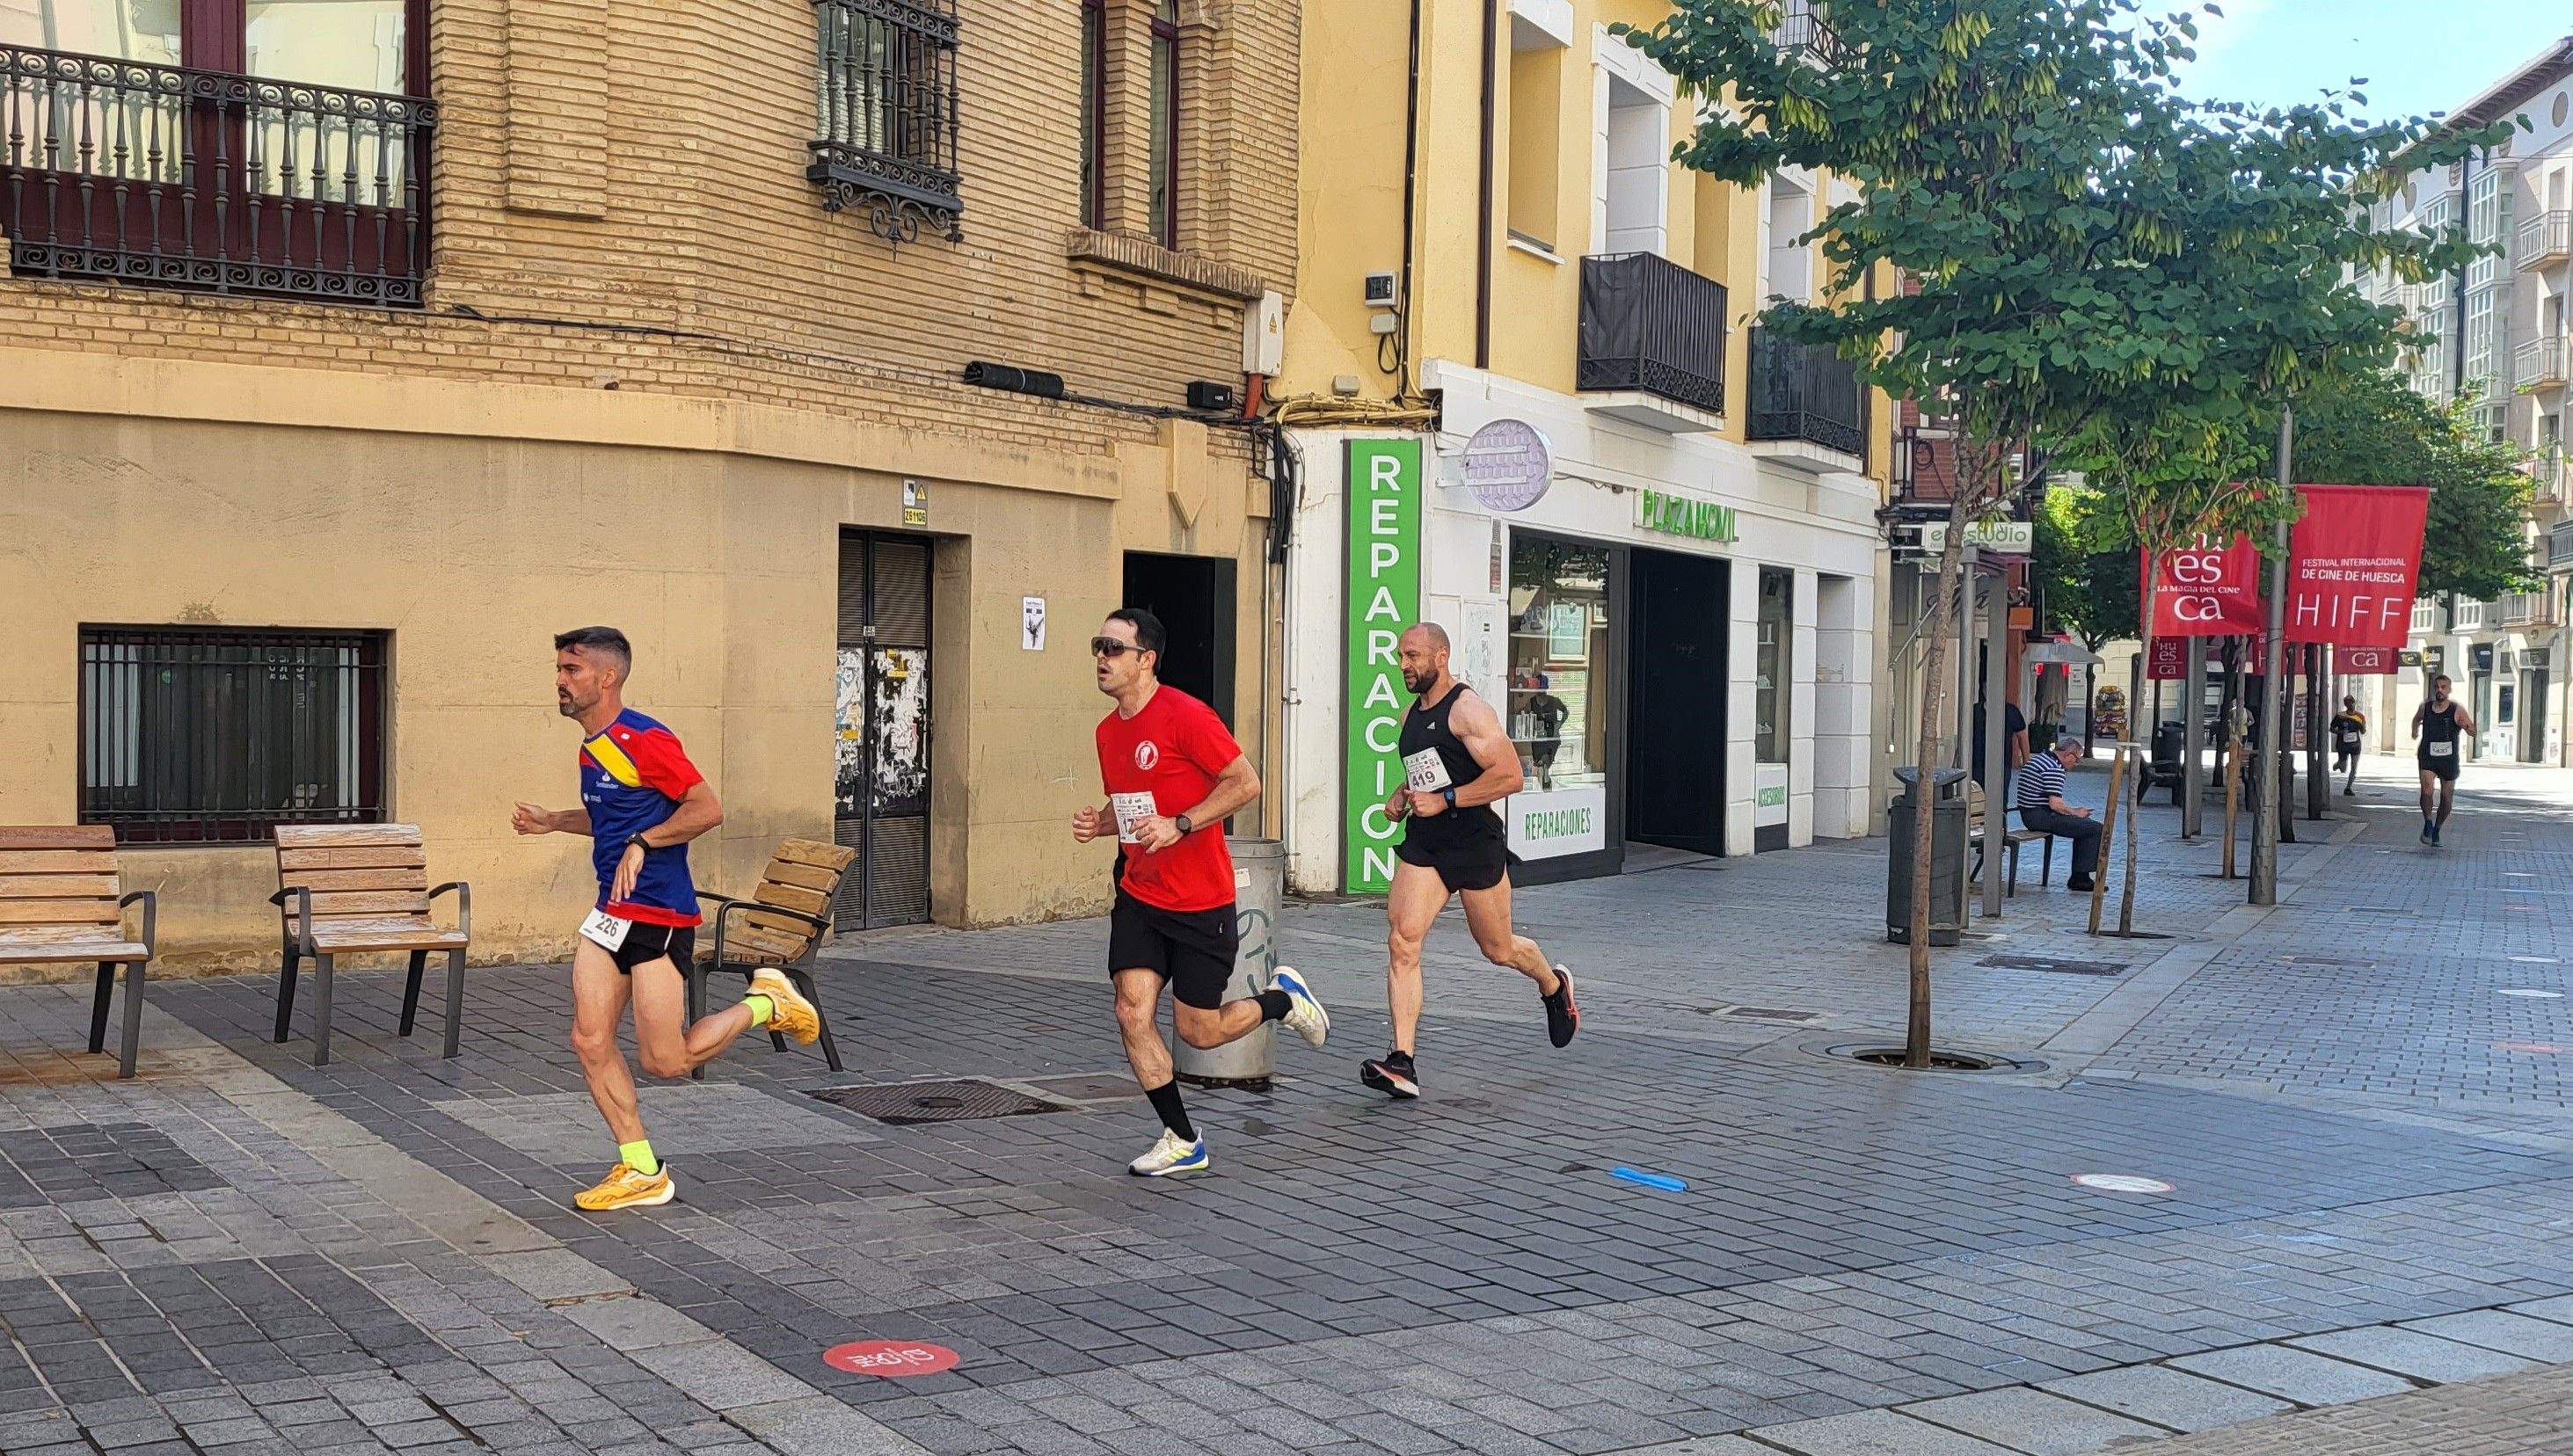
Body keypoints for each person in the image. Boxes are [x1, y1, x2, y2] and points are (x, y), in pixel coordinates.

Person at [513, 627, 821, 1212]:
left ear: (605, 678)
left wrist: (643, 843)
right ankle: (642, 1170)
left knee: (666, 1061)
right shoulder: (591, 748)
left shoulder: (646, 738)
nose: (560, 680)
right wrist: (554, 820)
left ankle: (768, 1004)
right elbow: (612, 815)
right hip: (610, 915)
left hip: (658, 916)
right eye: (558, 668)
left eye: (571, 670)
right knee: (589, 1039)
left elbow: (707, 808)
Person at [1072, 608, 1328, 1176]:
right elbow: (1134, 804)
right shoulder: (1107, 732)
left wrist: (1182, 824)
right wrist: (1103, 824)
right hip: (1141, 893)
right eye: (1098, 645)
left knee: (1199, 1031)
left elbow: (1246, 783)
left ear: (1146, 660)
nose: (1101, 658)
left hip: (1199, 901)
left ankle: (1281, 1001)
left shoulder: (1187, 715)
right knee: (1130, 1012)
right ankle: (1183, 1139)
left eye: (1114, 648)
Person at [1364, 623, 1578, 1101]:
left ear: (1441, 656)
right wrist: (1403, 795)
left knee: (1498, 949)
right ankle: (1402, 1061)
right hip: (1427, 846)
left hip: (1474, 844)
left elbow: (1510, 776)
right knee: (1402, 941)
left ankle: (1552, 984)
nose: (1404, 666)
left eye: (1413, 656)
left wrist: (1447, 800)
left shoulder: (1467, 709)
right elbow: (1429, 771)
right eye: (1401, 656)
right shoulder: (1410, 715)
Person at [2015, 734, 2103, 893]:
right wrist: (2075, 813)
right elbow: (2055, 804)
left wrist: (2073, 814)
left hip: (2030, 813)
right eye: (2076, 759)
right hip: (2040, 817)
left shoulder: (2041, 759)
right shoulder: (2055, 768)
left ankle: (2079, 876)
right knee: (2095, 829)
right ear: (2068, 755)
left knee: (2084, 827)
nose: (2076, 763)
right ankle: (2080, 879)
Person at [2410, 674, 2474, 846]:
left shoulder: (2457, 709)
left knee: (2446, 798)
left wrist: (2466, 726)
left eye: (2443, 687)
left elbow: (2473, 730)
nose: (2440, 690)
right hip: (2428, 757)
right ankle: (2428, 823)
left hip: (2448, 760)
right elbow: (2416, 718)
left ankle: (2437, 829)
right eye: (2437, 686)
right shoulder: (2426, 707)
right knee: (2426, 791)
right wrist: (2415, 731)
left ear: (2449, 690)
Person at [1971, 695, 2029, 797]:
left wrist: (2026, 762)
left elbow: (2022, 735)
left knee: (2000, 795)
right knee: (1977, 795)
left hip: (2002, 763)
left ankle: (2002, 812)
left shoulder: (2011, 711)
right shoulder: (1975, 711)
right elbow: (1965, 735)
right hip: (1977, 763)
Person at [2329, 695, 2367, 797]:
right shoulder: (2340, 716)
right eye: (2347, 702)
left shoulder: (2360, 716)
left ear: (2355, 703)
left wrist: (2362, 725)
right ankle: (2338, 764)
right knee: (2343, 769)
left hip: (2355, 745)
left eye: (2352, 702)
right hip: (2343, 745)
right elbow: (2331, 728)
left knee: (2354, 767)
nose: (2350, 704)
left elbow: (2363, 732)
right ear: (2345, 704)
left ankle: (2348, 788)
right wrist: (2340, 732)